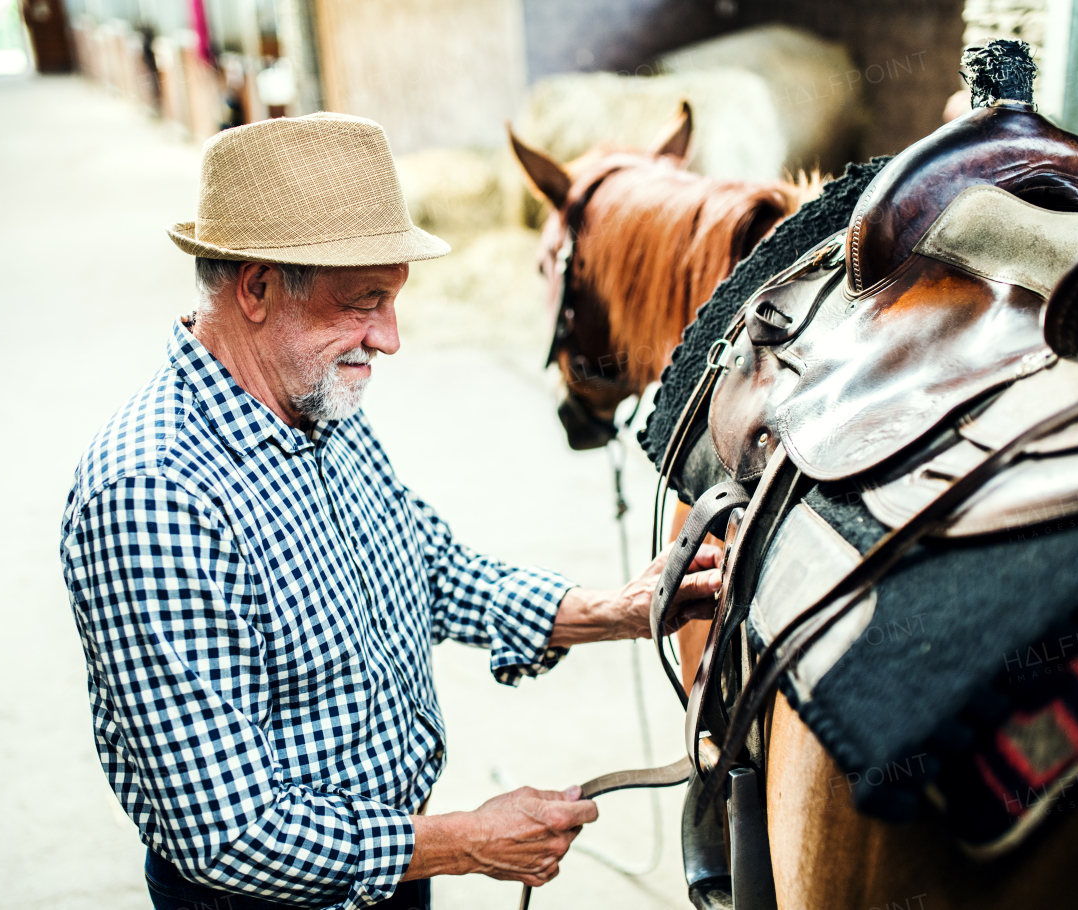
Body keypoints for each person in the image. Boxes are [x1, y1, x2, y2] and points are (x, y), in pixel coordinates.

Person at [59, 112, 721, 910]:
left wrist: (610, 611)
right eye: (364, 301)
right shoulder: (153, 496)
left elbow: (427, 568)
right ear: (259, 287)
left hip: (389, 867)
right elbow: (225, 831)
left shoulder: (314, 397)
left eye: (393, 300)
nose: (391, 339)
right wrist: (464, 842)